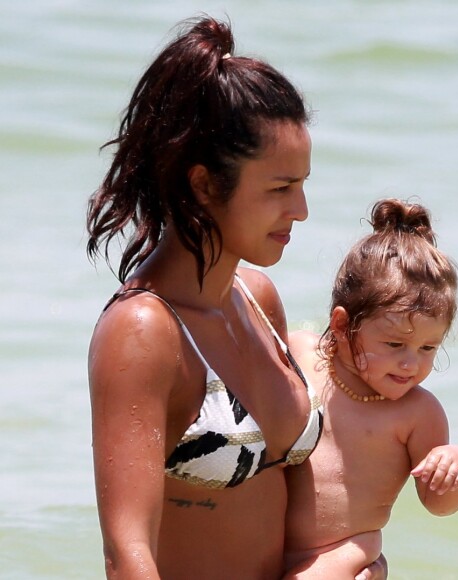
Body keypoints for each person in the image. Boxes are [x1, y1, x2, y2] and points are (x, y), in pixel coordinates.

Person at [86, 15, 386, 580]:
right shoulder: (145, 332)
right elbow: (127, 558)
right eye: (279, 189)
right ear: (203, 184)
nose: (300, 210)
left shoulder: (256, 300)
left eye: (302, 184)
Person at [283, 199, 458, 578]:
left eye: (427, 348)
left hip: (342, 552)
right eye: (394, 345)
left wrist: (457, 467)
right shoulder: (300, 354)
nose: (411, 364)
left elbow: (439, 504)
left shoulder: (417, 414)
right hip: (266, 539)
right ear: (341, 325)